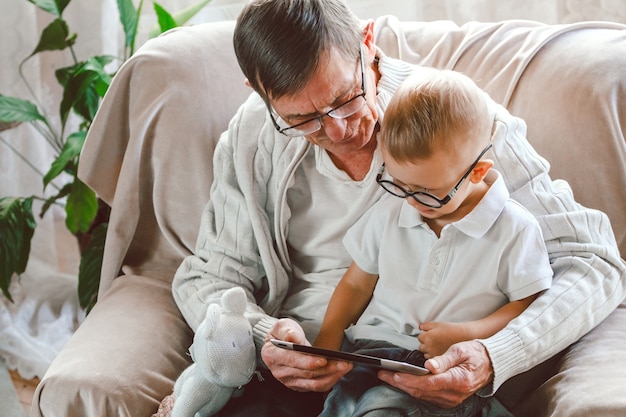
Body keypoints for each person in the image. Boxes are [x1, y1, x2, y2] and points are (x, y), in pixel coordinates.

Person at [171, 0, 625, 415]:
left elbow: (595, 262)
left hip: (420, 367)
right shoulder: (252, 136)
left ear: (369, 45)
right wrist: (262, 336)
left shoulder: (458, 124)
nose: (338, 131)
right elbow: (212, 275)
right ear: (259, 92)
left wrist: (492, 353)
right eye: (303, 120)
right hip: (302, 370)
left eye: (345, 99)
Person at [313, 68, 553, 417]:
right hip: (369, 353)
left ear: (477, 172)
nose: (411, 200)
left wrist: (467, 333)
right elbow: (355, 282)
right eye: (401, 184)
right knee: (339, 407)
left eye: (428, 192)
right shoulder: (391, 210)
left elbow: (528, 304)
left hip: (441, 368)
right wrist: (329, 335)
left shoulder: (514, 229)